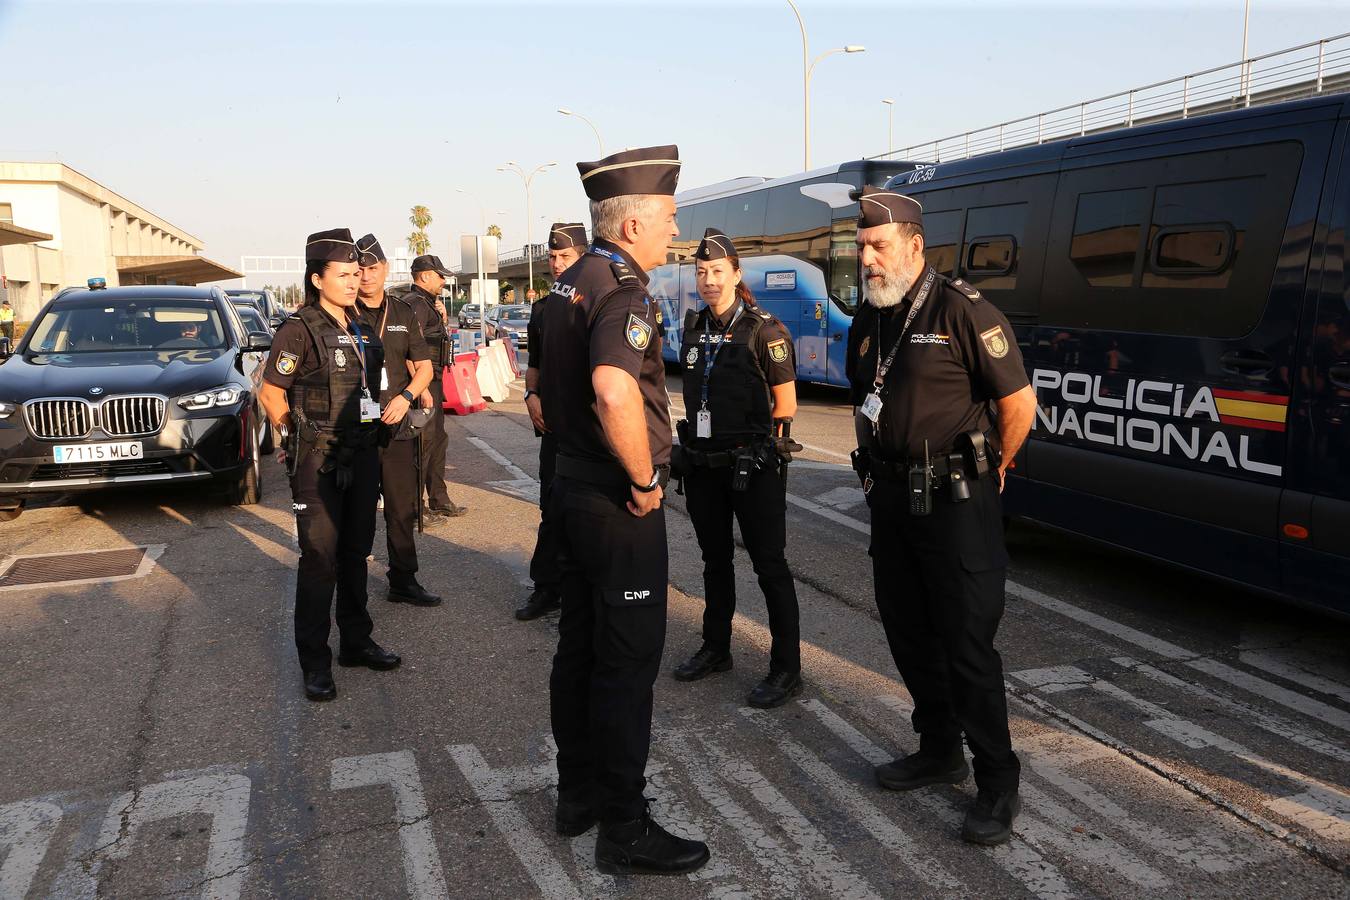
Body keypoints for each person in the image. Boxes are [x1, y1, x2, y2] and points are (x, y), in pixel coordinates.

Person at [845, 186, 1037, 845]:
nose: (866, 256)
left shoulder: (961, 310)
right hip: (894, 503)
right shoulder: (867, 317)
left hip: (957, 504)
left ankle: (997, 782)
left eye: (878, 245)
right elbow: (862, 400)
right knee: (907, 630)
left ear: (915, 246)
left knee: (965, 644)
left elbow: (1018, 405)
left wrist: (995, 470)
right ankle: (938, 749)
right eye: (862, 245)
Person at [538, 145, 709, 875]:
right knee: (627, 660)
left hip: (571, 490)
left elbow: (547, 392)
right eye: (668, 218)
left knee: (579, 645)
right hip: (615, 500)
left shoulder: (568, 284)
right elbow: (614, 389)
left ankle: (576, 797)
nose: (675, 231)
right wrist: (643, 480)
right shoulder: (623, 289)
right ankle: (624, 824)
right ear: (634, 222)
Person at [259, 228, 402, 702]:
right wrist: (292, 434)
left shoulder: (361, 327)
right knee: (320, 561)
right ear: (318, 279)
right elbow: (270, 391)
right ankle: (315, 662)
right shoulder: (298, 329)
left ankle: (356, 643)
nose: (352, 280)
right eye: (342, 274)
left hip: (361, 454)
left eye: (355, 272)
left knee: (356, 553)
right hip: (317, 461)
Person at [670, 227, 804, 708]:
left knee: (770, 566)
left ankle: (787, 668)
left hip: (753, 467)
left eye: (717, 272)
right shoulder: (693, 327)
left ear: (736, 274)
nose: (708, 280)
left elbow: (785, 405)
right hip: (704, 466)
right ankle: (716, 647)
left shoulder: (764, 329)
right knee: (714, 560)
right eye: (702, 272)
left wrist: (767, 452)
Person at [354, 234, 444, 605]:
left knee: (401, 507)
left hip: (395, 421)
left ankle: (403, 580)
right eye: (358, 269)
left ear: (385, 269)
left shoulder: (402, 311)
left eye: (372, 268)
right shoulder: (341, 312)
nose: (365, 276)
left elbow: (422, 367)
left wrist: (409, 396)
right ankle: (352, 582)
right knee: (356, 513)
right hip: (353, 427)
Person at [516, 222, 587, 621]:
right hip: (555, 428)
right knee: (551, 507)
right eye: (553, 257)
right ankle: (547, 588)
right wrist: (531, 396)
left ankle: (584, 591)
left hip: (589, 428)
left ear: (583, 255)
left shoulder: (597, 300)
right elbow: (535, 363)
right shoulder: (542, 309)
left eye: (566, 256)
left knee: (588, 514)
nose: (557, 263)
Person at [407, 254, 468, 519]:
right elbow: (408, 349)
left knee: (437, 441)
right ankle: (414, 507)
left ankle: (438, 499)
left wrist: (442, 320)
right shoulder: (416, 305)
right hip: (424, 384)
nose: (444, 281)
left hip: (434, 381)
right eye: (440, 276)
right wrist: (419, 389)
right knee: (422, 444)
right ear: (425, 276)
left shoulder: (427, 303)